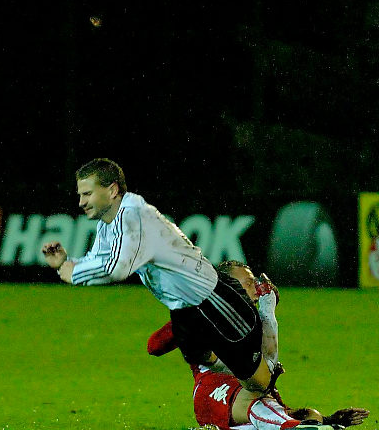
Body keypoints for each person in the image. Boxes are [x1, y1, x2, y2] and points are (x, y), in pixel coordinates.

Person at [41, 158, 275, 395]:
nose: (81, 202)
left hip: (210, 300)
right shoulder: (108, 221)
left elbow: (118, 268)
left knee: (260, 384)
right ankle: (235, 395)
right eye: (80, 195)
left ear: (112, 190)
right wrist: (66, 265)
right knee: (203, 360)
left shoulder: (133, 215)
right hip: (183, 308)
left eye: (87, 194)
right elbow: (99, 258)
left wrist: (74, 273)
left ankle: (266, 311)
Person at [146, 261, 370, 430]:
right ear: (227, 285)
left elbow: (269, 364)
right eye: (248, 282)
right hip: (212, 388)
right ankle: (294, 429)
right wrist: (183, 327)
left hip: (247, 389)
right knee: (256, 395)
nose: (256, 287)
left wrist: (329, 420)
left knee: (310, 415)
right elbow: (153, 346)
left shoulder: (250, 320)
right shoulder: (204, 312)